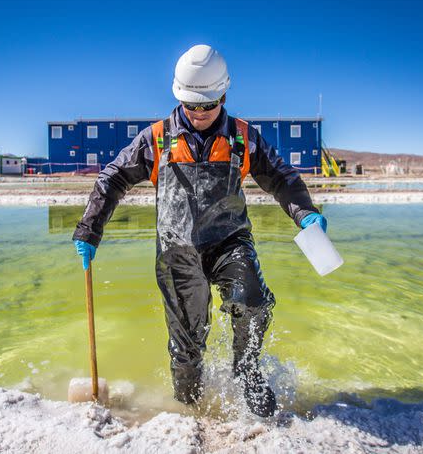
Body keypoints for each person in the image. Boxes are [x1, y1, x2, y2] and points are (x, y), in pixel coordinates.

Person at [72, 44, 327, 417]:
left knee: (253, 302)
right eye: (193, 105)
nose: (200, 113)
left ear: (223, 95)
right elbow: (113, 178)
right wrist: (89, 230)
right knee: (186, 347)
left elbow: (279, 176)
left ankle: (247, 371)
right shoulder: (157, 139)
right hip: (178, 251)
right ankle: (190, 410)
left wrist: (304, 212)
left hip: (229, 242)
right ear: (180, 98)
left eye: (208, 105)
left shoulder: (243, 137)